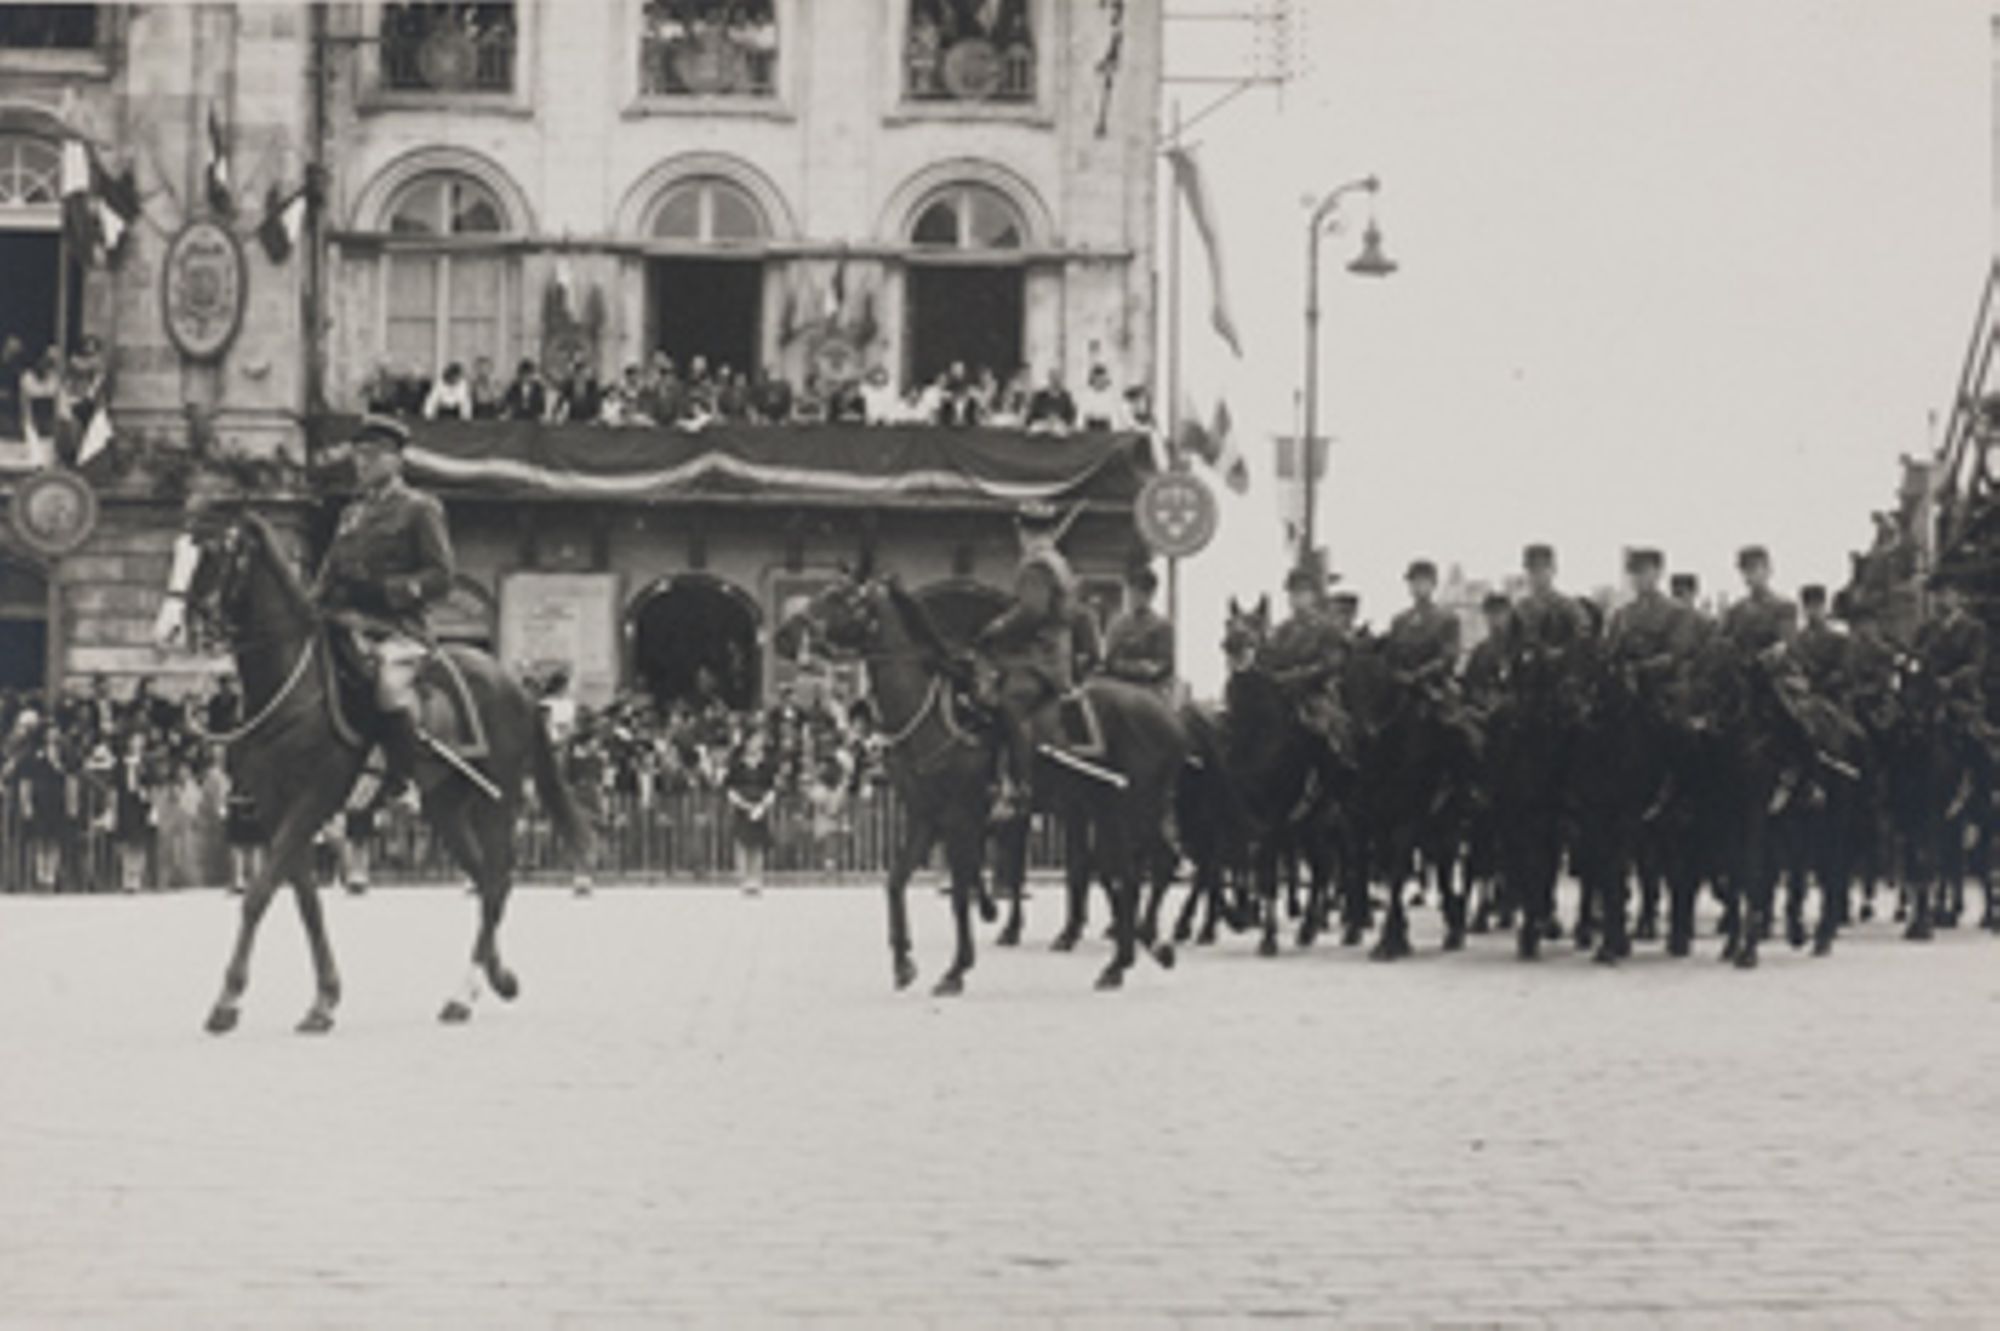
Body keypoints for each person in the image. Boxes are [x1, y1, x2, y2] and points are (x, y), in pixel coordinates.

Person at [310, 415, 455, 800]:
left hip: (398, 629)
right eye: (357, 456)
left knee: (388, 686)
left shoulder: (420, 508)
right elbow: (327, 574)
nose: (361, 464)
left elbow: (442, 577)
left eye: (371, 456)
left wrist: (385, 591)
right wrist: (309, 605)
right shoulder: (350, 515)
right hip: (345, 623)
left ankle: (400, 776)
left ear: (395, 460)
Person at [976, 503, 1081, 821]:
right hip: (1055, 652)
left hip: (1041, 658)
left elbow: (1031, 612)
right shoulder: (1058, 562)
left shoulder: (1036, 565)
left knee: (1010, 700)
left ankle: (1022, 788)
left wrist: (997, 628)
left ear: (1022, 530)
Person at [1261, 563, 1353, 762]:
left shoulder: (1326, 628)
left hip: (1314, 693)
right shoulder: (1281, 631)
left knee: (1326, 732)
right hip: (1280, 694)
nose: (1296, 599)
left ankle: (1329, 776)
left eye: (1302, 593)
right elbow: (1269, 659)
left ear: (1313, 596)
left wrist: (1297, 676)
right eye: (1293, 594)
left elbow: (1331, 663)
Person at [1102, 565, 1174, 695]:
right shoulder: (1117, 624)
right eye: (1131, 591)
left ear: (1151, 594)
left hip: (1149, 691)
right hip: (1119, 690)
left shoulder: (1161, 626)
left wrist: (1150, 669)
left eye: (1140, 592)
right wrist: (1138, 667)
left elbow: (1164, 666)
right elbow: (1109, 662)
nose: (1133, 597)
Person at [1720, 545, 1796, 657]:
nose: (1749, 576)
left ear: (1768, 571)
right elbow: (1724, 643)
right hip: (1739, 670)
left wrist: (1775, 652)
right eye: (1745, 571)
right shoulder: (1736, 611)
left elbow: (1787, 643)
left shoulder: (1784, 607)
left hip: (1772, 670)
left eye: (1753, 569)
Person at [1075, 362, 1127, 431]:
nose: (1100, 382)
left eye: (1102, 379)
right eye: (1097, 379)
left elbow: (1121, 415)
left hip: (1108, 431)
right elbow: (1080, 417)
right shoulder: (1086, 395)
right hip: (1090, 431)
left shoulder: (1113, 395)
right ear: (1093, 380)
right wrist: (1079, 429)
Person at [1025, 367, 1077, 435]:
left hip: (1058, 426)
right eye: (1053, 378)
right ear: (1049, 379)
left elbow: (1071, 416)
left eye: (1058, 378)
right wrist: (1046, 418)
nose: (1056, 381)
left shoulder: (1066, 397)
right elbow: (1031, 414)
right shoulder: (1039, 396)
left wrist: (1058, 420)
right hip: (1041, 425)